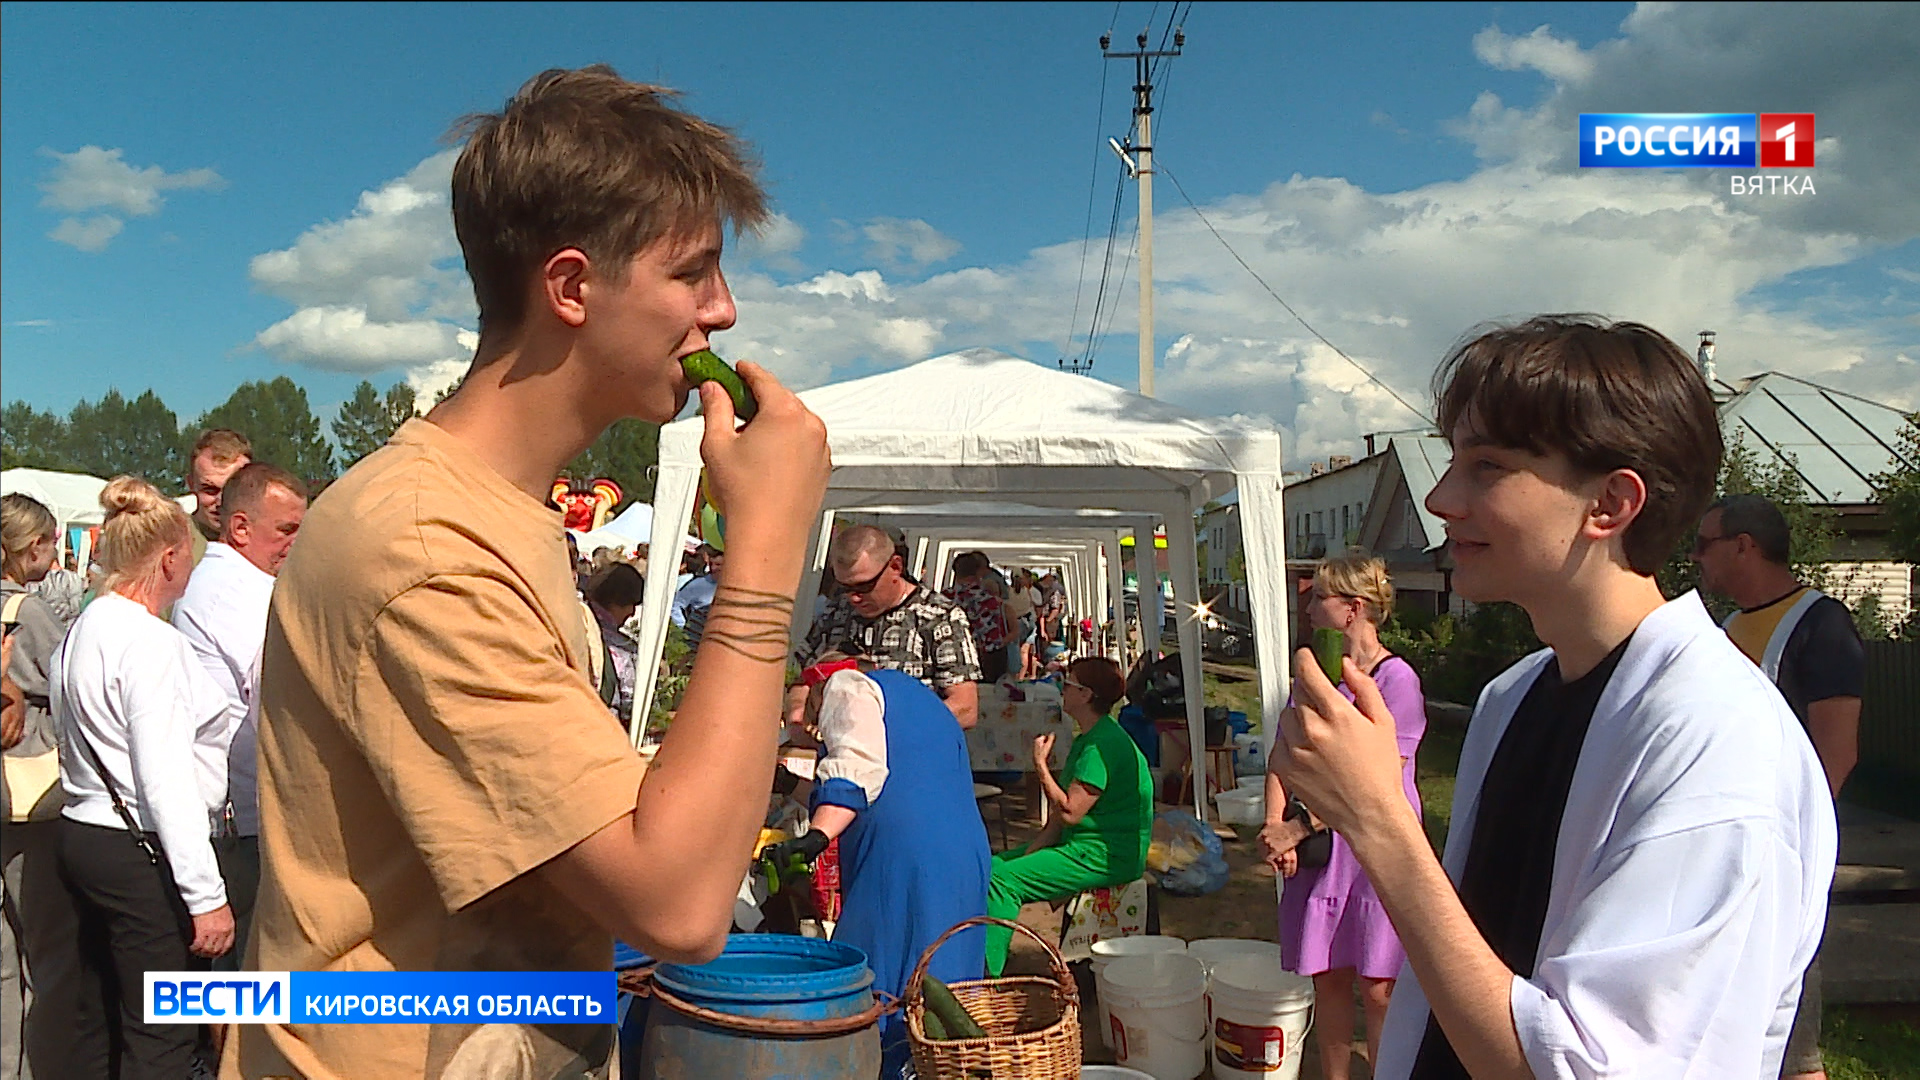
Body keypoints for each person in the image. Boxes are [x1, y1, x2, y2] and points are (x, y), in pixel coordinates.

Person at [231, 66, 829, 1080]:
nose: (723, 311)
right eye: (692, 272)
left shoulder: (500, 516)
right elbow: (679, 905)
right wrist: (767, 547)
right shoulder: (422, 548)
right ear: (569, 288)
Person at [1270, 315, 1836, 1079]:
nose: (1440, 499)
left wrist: (1376, 822)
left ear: (1610, 505)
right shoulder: (1515, 696)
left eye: (1488, 467)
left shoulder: (1717, 742)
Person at [50, 477, 238, 1079]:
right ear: (169, 558)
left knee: (99, 1010)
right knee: (160, 1030)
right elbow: (165, 780)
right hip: (137, 847)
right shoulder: (152, 643)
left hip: (83, 833)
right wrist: (207, 899)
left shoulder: (83, 627)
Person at [1694, 492, 1864, 1080]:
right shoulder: (1725, 630)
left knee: (1790, 1044)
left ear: (1745, 545)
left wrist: (1782, 853)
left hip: (1775, 861)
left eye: (1704, 544)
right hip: (1716, 854)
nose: (1696, 559)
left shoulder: (1821, 625)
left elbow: (1836, 754)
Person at [769, 650, 990, 1076]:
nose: (812, 726)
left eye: (807, 709)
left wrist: (814, 839)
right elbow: (873, 784)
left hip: (903, 861)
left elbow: (854, 774)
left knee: (884, 976)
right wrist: (787, 784)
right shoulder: (918, 698)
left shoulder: (845, 687)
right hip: (961, 853)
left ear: (818, 688)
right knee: (948, 977)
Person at [1261, 554, 1426, 1080]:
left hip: (1376, 848)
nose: (1307, 607)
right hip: (1321, 847)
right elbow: (1282, 754)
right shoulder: (1314, 675)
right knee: (1327, 976)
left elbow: (1372, 782)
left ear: (1353, 609)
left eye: (1318, 598)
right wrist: (1274, 827)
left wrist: (1295, 826)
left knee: (1378, 988)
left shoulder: (1397, 681)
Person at [171, 463, 309, 975]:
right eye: (286, 531)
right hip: (245, 817)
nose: (296, 543)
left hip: (246, 809)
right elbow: (279, 695)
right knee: (249, 976)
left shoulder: (235, 582)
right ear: (241, 528)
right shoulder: (236, 592)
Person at [984, 656, 1152, 976]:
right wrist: (1030, 853)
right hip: (1085, 847)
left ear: (1086, 695)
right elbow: (1059, 822)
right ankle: (983, 953)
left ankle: (987, 976)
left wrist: (1040, 766)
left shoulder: (1101, 745)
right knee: (992, 868)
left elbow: (1071, 812)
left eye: (1068, 683)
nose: (1062, 688)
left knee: (1001, 881)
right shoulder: (1092, 737)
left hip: (1106, 855)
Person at [3, 493, 82, 1080]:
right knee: (48, 949)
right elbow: (72, 678)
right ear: (33, 547)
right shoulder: (27, 611)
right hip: (28, 793)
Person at [799, 525, 982, 729]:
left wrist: (886, 732)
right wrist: (798, 724)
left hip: (909, 751)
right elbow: (802, 680)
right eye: (845, 588)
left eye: (864, 586)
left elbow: (965, 707)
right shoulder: (834, 614)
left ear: (895, 567)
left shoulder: (939, 617)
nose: (854, 598)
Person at [587, 562, 646, 728]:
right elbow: (632, 704)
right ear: (616, 601)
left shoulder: (575, 624)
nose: (633, 612)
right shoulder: (623, 649)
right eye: (632, 604)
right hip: (607, 730)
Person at [185, 430, 253, 568]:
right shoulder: (173, 543)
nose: (220, 501)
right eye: (210, 490)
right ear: (191, 485)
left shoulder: (272, 543)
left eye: (231, 489)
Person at [944, 551, 1011, 683]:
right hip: (985, 663)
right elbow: (995, 640)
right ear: (978, 572)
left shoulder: (943, 599)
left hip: (951, 663)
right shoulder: (991, 601)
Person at [670, 542, 724, 647]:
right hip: (696, 640)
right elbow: (676, 605)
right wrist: (683, 628)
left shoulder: (731, 587)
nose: (713, 568)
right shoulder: (697, 585)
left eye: (718, 565)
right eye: (711, 564)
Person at [1005, 568, 1038, 680]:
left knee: (1014, 650)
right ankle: (1021, 677)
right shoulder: (1027, 591)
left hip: (1015, 622)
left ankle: (1015, 676)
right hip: (1029, 621)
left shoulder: (1008, 591)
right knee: (1025, 651)